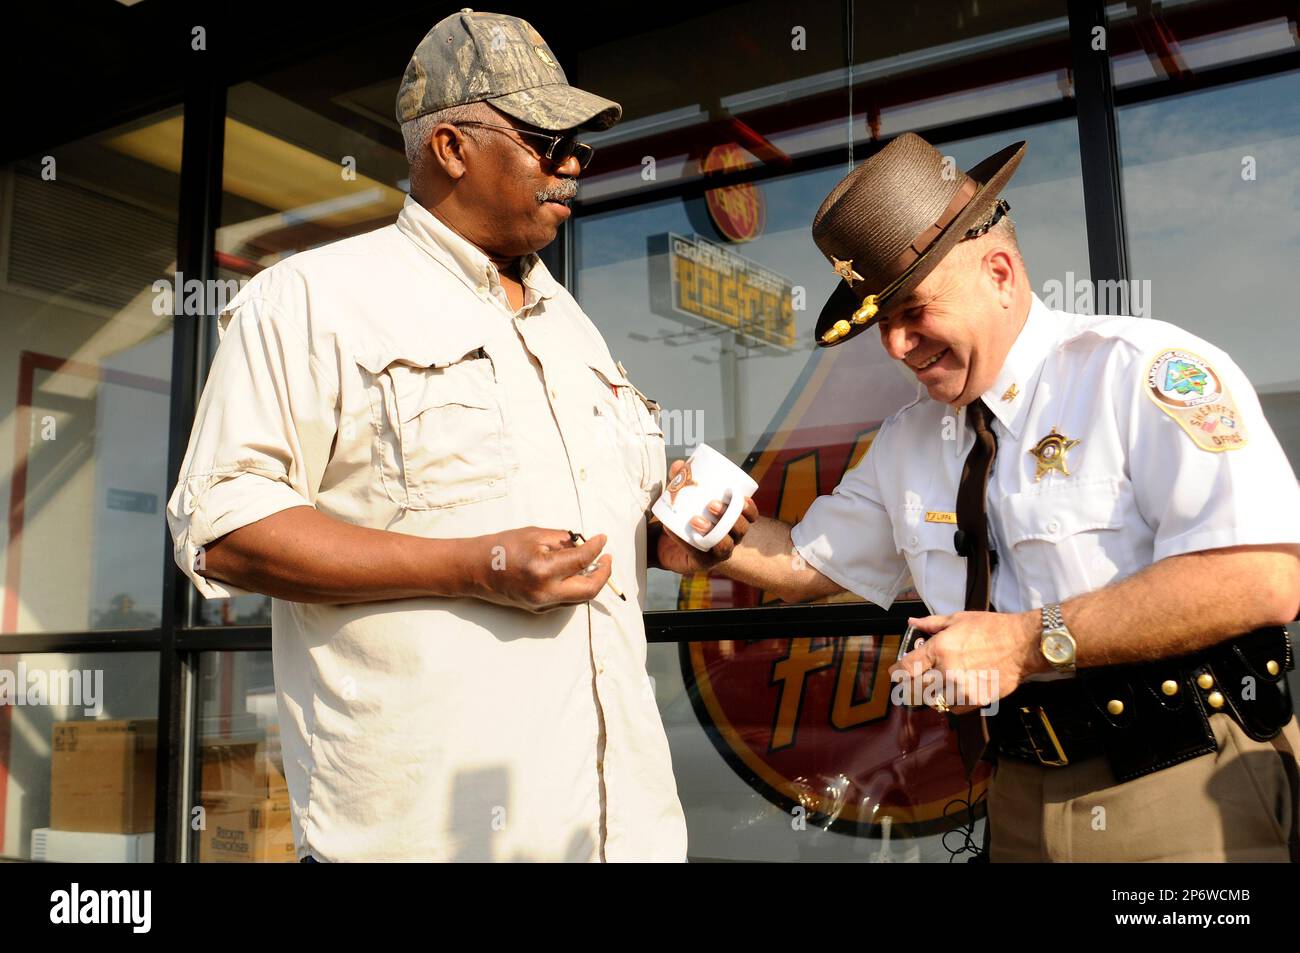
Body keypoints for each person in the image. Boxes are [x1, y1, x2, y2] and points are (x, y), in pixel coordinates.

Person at [166, 9, 753, 862]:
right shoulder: (312, 298)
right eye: (548, 140)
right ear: (450, 146)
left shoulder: (574, 326)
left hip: (620, 835)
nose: (574, 166)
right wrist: (475, 566)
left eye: (581, 146)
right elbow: (222, 529)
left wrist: (663, 539)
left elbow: (585, 524)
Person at [707, 131, 1300, 861]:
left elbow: (1263, 576)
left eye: (912, 310)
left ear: (999, 272)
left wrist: (1024, 641)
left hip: (1183, 782)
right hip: (1016, 792)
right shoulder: (908, 440)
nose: (895, 346)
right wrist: (708, 539)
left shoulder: (1137, 372)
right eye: (880, 324)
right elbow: (806, 560)